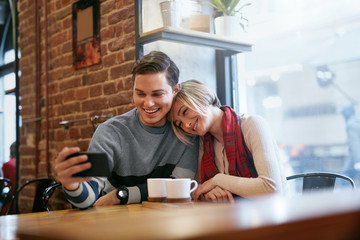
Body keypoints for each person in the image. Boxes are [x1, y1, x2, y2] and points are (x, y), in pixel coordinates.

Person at [54, 51, 199, 208]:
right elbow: (88, 199)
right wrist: (72, 186)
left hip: (164, 223)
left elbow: (178, 188)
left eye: (157, 94)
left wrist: (123, 194)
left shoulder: (187, 132)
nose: (148, 103)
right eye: (140, 94)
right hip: (114, 223)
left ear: (175, 90)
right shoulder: (110, 132)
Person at [169, 80, 287, 203]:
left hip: (273, 216)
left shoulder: (253, 125)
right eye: (179, 123)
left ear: (201, 97)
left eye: (185, 111)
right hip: (232, 217)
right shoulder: (203, 145)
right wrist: (208, 193)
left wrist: (217, 180)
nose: (186, 124)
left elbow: (271, 188)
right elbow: (199, 189)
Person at [341, 103, 360, 180]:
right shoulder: (357, 121)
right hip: (356, 156)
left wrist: (357, 161)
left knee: (344, 177)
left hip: (356, 157)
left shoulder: (351, 125)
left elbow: (355, 144)